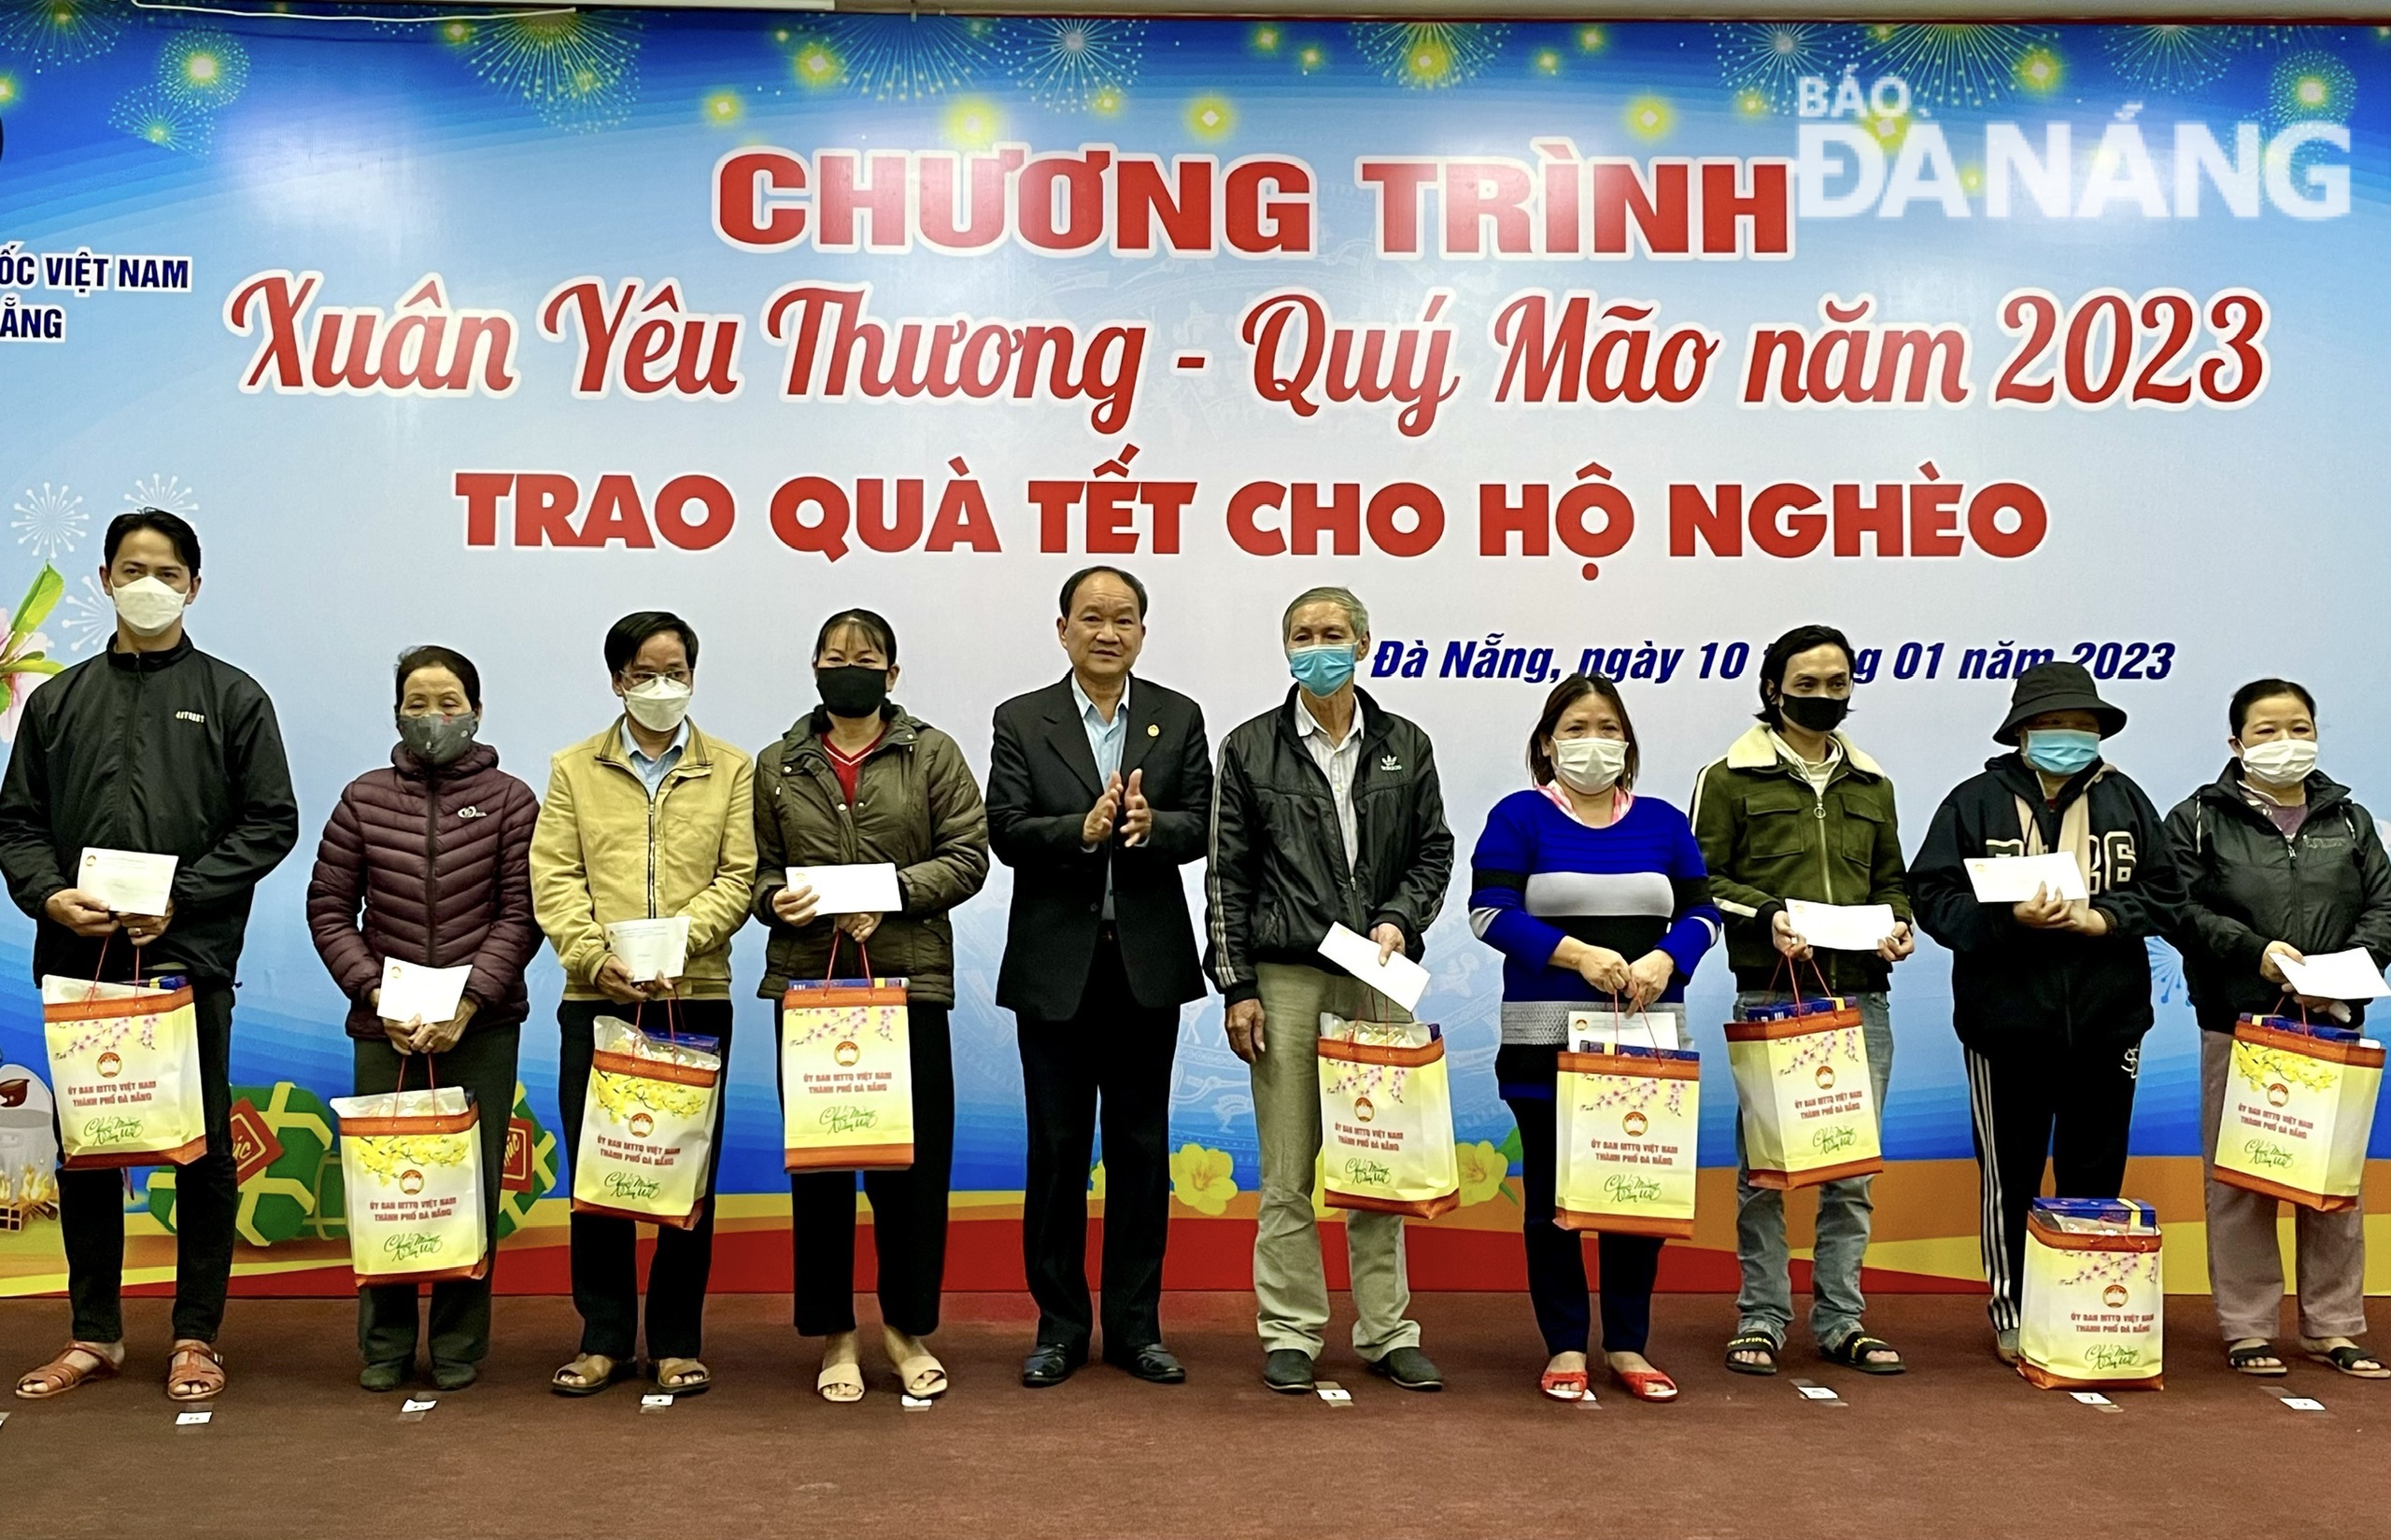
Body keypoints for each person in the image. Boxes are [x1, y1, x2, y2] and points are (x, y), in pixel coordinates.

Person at [2, 510, 299, 1404]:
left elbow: (270, 821)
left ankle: (195, 1334)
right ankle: (95, 1332)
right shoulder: (57, 702)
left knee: (198, 1150)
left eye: (167, 571)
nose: (149, 583)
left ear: (193, 587)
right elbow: (15, 823)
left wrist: (188, 894)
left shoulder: (233, 695)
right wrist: (49, 892)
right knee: (86, 1150)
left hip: (185, 963)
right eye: (133, 567)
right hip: (79, 964)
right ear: (104, 578)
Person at [1205, 586, 1453, 1395]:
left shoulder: (1405, 744)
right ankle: (1290, 1330)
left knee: (1378, 1163)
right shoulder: (1248, 747)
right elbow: (1225, 879)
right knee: (1287, 1168)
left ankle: (1388, 1331)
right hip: (1283, 979)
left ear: (1367, 643)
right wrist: (1237, 985)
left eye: (1335, 633)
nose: (1320, 646)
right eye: (1304, 635)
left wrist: (1398, 918)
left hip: (1376, 975)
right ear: (1286, 650)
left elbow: (1434, 855)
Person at [1909, 660, 2185, 1364]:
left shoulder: (2127, 800)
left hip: (2109, 1021)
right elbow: (1933, 896)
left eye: (2084, 725)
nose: (2071, 736)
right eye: (2056, 724)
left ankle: (2082, 1306)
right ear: (2023, 732)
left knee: (2095, 1172)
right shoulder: (1974, 802)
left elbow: (2167, 893)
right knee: (2012, 1175)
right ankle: (2014, 1307)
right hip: (2005, 1026)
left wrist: (2104, 920)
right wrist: (2007, 921)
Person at [752, 609, 988, 1404]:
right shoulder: (779, 763)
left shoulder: (932, 753)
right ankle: (835, 1336)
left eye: (867, 656)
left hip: (906, 986)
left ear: (892, 672)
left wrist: (889, 894)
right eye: (833, 654)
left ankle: (906, 1329)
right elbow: (753, 873)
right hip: (812, 990)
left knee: (911, 1176)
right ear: (814, 668)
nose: (848, 665)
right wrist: (775, 901)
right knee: (821, 1176)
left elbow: (968, 857)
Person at [987, 568, 1211, 1389]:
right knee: (1055, 1153)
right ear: (1063, 629)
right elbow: (1004, 829)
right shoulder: (1022, 718)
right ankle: (1057, 1327)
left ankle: (1135, 1328)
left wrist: (1157, 827)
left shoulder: (1176, 715)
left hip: (1144, 967)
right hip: (1056, 969)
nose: (1107, 631)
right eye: (1092, 617)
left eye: (1123, 619)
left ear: (1143, 632)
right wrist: (1076, 831)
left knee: (1142, 1151)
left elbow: (1203, 820)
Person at [1471, 674, 1719, 1404]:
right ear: (1548, 743)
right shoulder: (1519, 817)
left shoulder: (1665, 822)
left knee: (1635, 1194)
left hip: (1645, 1044)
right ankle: (1564, 1345)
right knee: (1553, 1200)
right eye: (1576, 728)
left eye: (1607, 727)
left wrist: (1667, 957)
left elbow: (1704, 915)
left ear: (1628, 741)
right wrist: (1577, 954)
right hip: (1543, 1042)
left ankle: (1628, 1344)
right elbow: (1490, 912)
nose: (1593, 741)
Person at [306, 645, 542, 1392]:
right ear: (396, 712)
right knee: (388, 1184)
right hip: (386, 1027)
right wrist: (379, 995)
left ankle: (459, 1344)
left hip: (482, 1025)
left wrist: (469, 1002)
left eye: (448, 702)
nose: (433, 717)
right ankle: (383, 1343)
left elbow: (521, 914)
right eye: (417, 702)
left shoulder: (512, 800)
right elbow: (329, 909)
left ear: (476, 710)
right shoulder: (363, 798)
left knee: (465, 1186)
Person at [531, 611, 754, 1397]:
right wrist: (600, 957)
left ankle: (676, 1340)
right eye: (645, 673)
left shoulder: (731, 767)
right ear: (618, 679)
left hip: (694, 996)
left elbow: (740, 875)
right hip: (598, 997)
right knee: (604, 1172)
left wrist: (677, 949)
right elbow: (554, 879)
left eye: (676, 671)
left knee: (683, 1174)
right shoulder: (573, 768)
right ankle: (603, 1338)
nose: (663, 686)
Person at [1690, 625, 1911, 1378]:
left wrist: (1898, 925)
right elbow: (1702, 882)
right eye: (1807, 683)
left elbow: (1892, 882)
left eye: (1837, 683)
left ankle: (1843, 1319)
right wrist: (1768, 917)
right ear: (1774, 687)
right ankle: (1760, 1316)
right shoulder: (1729, 776)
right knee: (1767, 1170)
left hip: (1862, 999)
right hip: (1772, 995)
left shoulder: (1872, 782)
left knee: (1851, 1171)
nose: (1822, 696)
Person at [2163, 679, 2391, 1379]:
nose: (2284, 740)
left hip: (2330, 1028)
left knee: (2332, 1182)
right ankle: (2248, 1327)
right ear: (2236, 742)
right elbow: (2180, 908)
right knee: (2240, 1182)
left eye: (2298, 725)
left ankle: (2334, 1326)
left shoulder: (2348, 819)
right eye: (2266, 729)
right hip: (2240, 1023)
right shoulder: (2198, 817)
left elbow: (2383, 904)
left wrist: (2343, 974)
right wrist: (2256, 954)